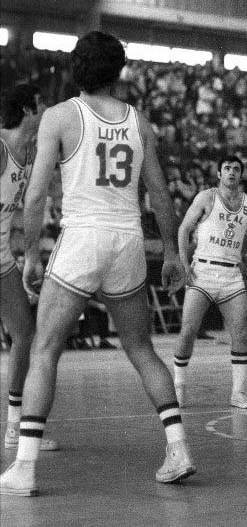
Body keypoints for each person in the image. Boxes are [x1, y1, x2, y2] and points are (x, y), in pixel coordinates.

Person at [0, 31, 195, 497]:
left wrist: (30, 254)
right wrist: (170, 251)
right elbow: (162, 196)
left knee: (45, 347)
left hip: (82, 240)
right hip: (128, 240)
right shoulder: (139, 122)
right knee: (142, 349)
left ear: (75, 68)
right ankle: (178, 447)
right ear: (119, 72)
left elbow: (35, 194)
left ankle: (24, 466)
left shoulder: (60, 116)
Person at [173, 155, 247, 409]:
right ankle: (178, 385)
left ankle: (238, 392)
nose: (232, 172)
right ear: (218, 173)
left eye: (236, 169)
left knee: (241, 333)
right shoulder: (206, 197)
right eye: (227, 168)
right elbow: (184, 229)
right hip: (202, 270)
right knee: (188, 331)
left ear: (241, 174)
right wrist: (183, 262)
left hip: (231, 274)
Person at [0, 84, 59, 454]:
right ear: (28, 108)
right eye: (42, 104)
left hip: (3, 258)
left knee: (25, 335)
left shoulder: (30, 152)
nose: (47, 110)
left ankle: (13, 428)